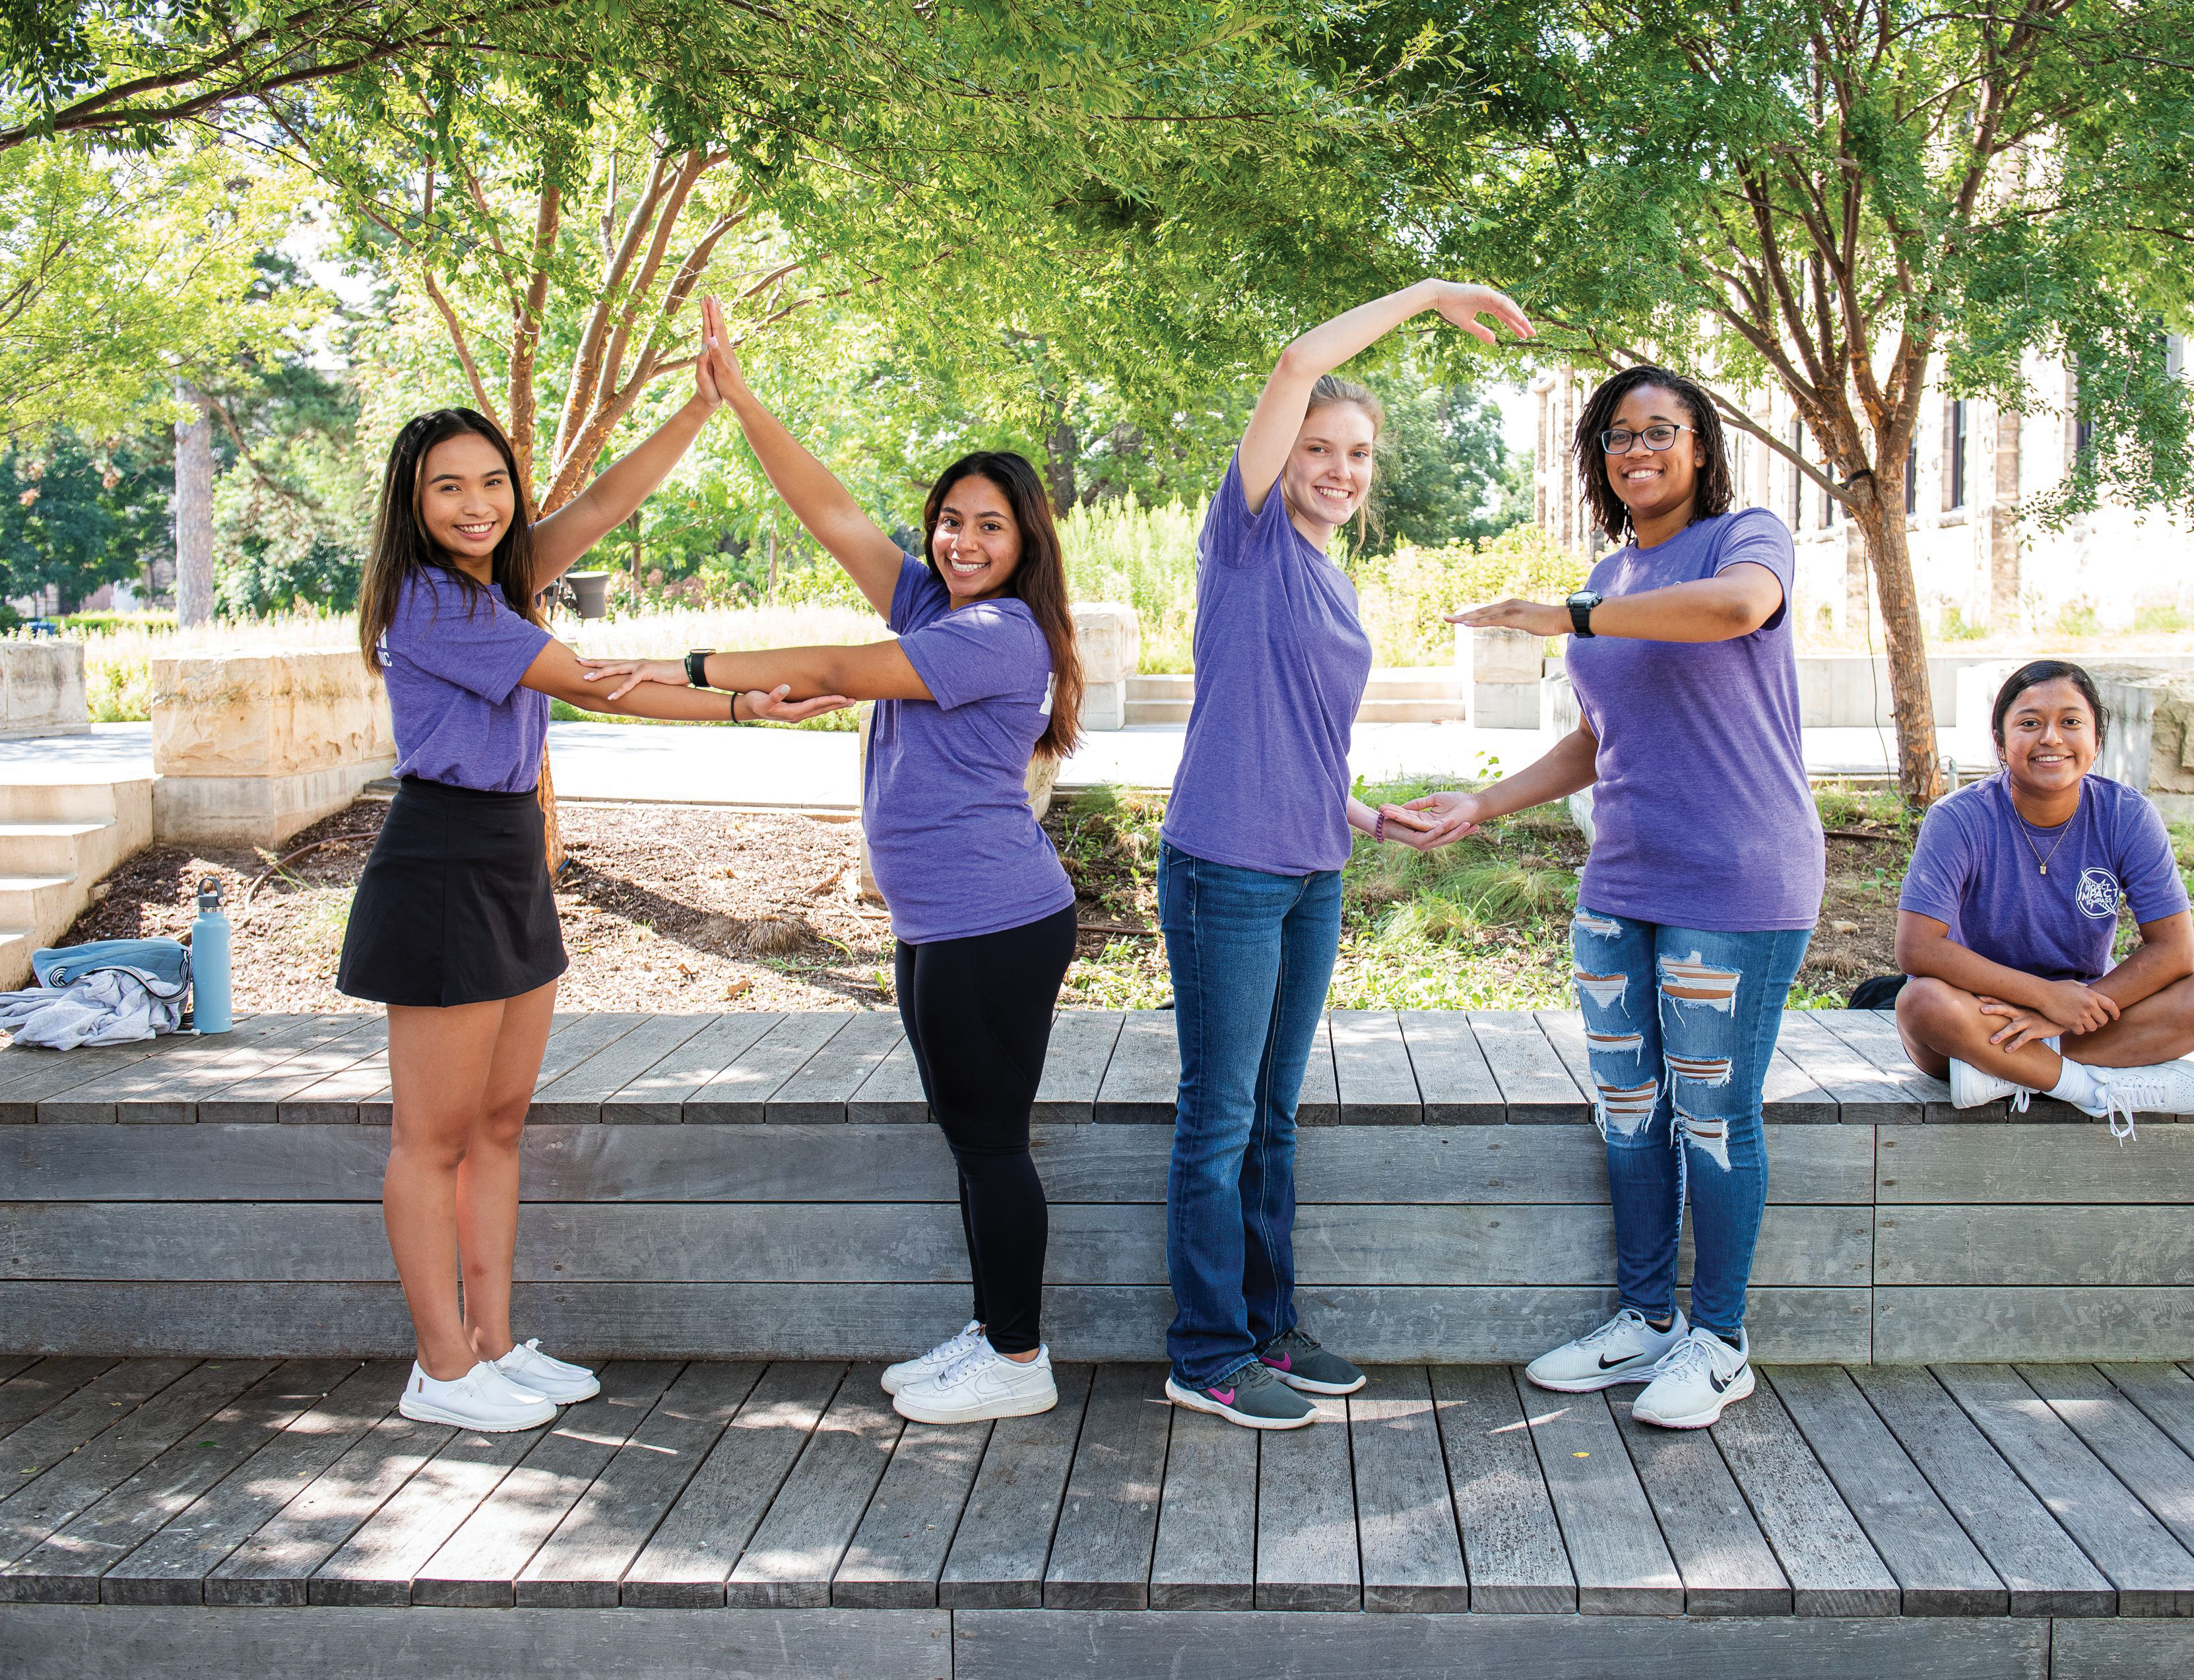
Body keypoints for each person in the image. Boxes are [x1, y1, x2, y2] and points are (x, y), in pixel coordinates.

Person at [584, 296, 1081, 1427]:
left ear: (1025, 545)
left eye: (988, 526)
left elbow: (832, 663)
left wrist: (687, 660)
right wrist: (739, 400)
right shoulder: (930, 602)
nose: (960, 540)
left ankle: (1018, 1357)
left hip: (990, 924)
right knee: (967, 1137)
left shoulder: (996, 635)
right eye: (949, 519)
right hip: (940, 923)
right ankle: (994, 1329)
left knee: (991, 1142)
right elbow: (831, 511)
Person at [343, 374, 844, 1435]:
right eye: (448, 488)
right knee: (430, 1138)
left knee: (499, 1123)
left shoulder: (499, 580)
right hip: (440, 860)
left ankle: (491, 1345)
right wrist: (743, 703)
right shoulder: (433, 601)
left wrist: (703, 409)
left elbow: (607, 504)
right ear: (411, 504)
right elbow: (590, 680)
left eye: (493, 483)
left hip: (507, 853)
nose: (477, 504)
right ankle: (440, 1366)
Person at [1403, 364, 1818, 1431]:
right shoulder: (1608, 573)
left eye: (1657, 431)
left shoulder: (1742, 538)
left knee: (1712, 1116)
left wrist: (1570, 611)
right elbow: (1599, 738)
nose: (1635, 450)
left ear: (1697, 447)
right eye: (1615, 436)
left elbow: (1736, 611)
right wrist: (1482, 804)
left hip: (1733, 880)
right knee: (1629, 1113)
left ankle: (1717, 1342)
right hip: (1620, 881)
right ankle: (1643, 1319)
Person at [1155, 279, 1532, 1431]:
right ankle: (1206, 1353)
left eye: (1356, 452)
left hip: (1312, 866)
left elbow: (1299, 736)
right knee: (1217, 1118)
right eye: (1319, 445)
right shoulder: (1248, 535)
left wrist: (1371, 821)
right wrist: (1426, 293)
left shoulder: (1328, 571)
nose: (1338, 466)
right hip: (1225, 868)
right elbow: (1290, 359)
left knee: (1273, 1115)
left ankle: (1268, 1325)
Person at [1893, 659, 2194, 1135]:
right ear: (2000, 743)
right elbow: (1918, 948)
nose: (2051, 737)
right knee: (1921, 1004)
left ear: (2096, 741)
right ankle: (2093, 1091)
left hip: (2079, 1017)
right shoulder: (1958, 818)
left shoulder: (2127, 815)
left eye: (2071, 723)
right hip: (1977, 1014)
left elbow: (2174, 951)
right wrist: (2044, 998)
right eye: (2029, 723)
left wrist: (2068, 1010)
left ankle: (2005, 1073)